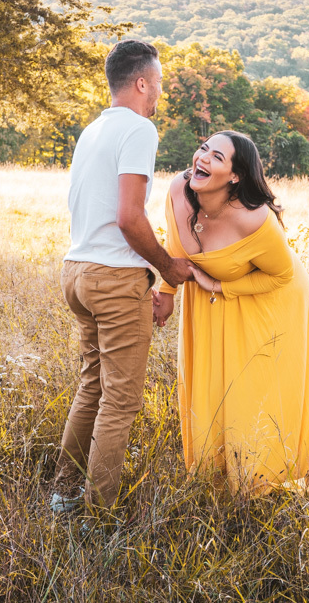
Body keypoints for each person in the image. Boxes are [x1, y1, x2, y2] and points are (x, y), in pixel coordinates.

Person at [153, 130, 309, 495]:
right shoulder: (179, 189)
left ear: (236, 176)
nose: (202, 159)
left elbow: (282, 275)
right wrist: (167, 290)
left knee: (250, 389)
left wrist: (217, 286)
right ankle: (214, 471)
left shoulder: (253, 218)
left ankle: (258, 475)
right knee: (212, 384)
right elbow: (175, 241)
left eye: (217, 157)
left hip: (268, 300)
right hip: (211, 307)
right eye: (203, 149)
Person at [53, 40, 195, 512]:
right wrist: (167, 267)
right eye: (156, 84)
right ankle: (98, 516)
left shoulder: (91, 131)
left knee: (92, 385)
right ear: (140, 83)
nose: (158, 93)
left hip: (77, 271)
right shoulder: (139, 129)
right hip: (113, 279)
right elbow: (129, 217)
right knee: (119, 401)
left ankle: (63, 495)